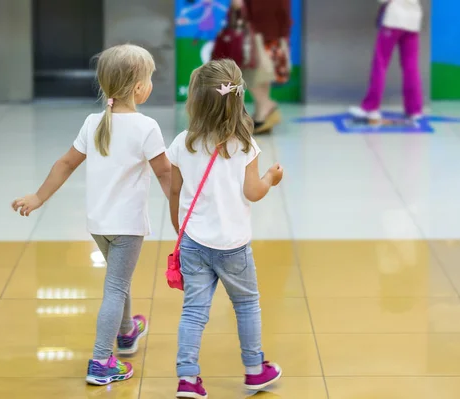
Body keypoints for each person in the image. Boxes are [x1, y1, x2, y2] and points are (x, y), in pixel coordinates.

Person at [11, 44, 171, 386]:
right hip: (128, 226)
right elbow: (166, 175)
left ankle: (127, 333)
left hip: (99, 223)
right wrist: (182, 207)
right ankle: (101, 360)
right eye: (150, 79)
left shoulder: (93, 122)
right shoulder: (146, 127)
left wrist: (39, 197)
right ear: (140, 88)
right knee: (115, 287)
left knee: (118, 278)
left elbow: (66, 163)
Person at [167, 59, 284, 399]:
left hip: (193, 242)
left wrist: (179, 227)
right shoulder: (245, 144)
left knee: (194, 310)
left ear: (196, 102)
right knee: (246, 305)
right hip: (233, 245)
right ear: (238, 101)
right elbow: (253, 192)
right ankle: (254, 370)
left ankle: (187, 378)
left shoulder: (182, 142)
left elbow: (175, 191)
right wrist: (271, 179)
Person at [349, 0, 424, 121]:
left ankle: (371, 108)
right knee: (411, 66)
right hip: (413, 20)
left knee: (380, 62)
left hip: (394, 19)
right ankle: (414, 110)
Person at [232, 0, 291, 134]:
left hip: (259, 33)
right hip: (263, 32)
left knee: (254, 73)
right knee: (259, 75)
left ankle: (266, 107)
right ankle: (262, 112)